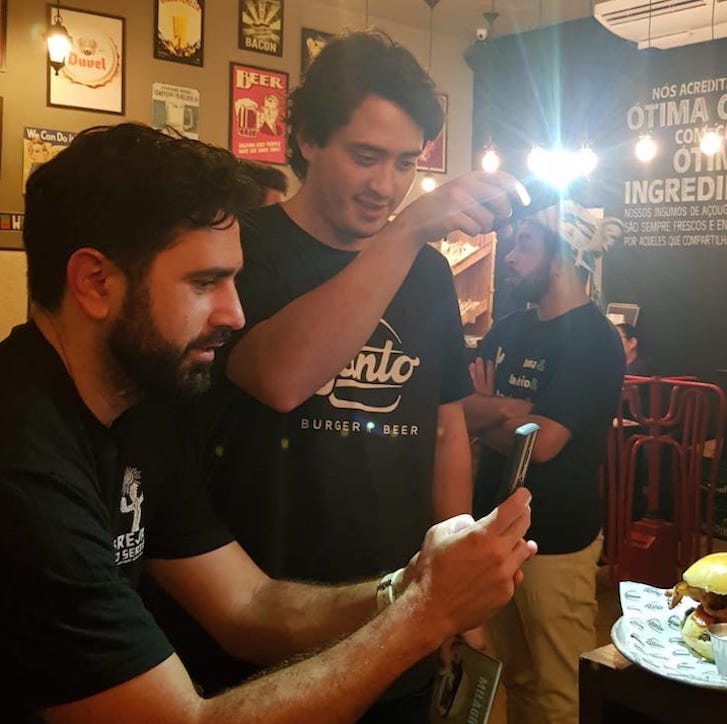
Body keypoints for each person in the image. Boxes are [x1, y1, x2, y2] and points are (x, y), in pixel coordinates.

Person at [0, 122, 536, 723]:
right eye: (205, 283)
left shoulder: (139, 420)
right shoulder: (22, 463)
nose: (234, 313)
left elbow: (247, 606)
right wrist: (426, 614)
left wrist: (410, 584)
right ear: (95, 283)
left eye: (233, 279)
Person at [200, 30, 528, 718]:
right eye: (365, 156)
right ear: (308, 140)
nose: (386, 186)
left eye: (406, 162)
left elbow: (444, 429)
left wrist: (456, 591)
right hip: (270, 620)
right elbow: (281, 377)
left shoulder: (428, 273)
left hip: (403, 608)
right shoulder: (245, 250)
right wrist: (406, 231)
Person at [463, 200, 626, 724]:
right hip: (496, 535)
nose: (511, 258)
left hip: (556, 541)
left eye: (524, 245)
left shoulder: (594, 340)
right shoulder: (507, 328)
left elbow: (545, 443)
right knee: (514, 679)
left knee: (562, 693)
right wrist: (509, 411)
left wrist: (489, 412)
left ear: (559, 260)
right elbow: (460, 410)